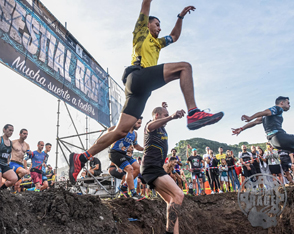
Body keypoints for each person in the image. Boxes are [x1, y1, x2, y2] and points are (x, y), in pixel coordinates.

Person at [68, 0, 224, 185]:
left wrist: (180, 16)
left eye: (160, 26)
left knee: (120, 131)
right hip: (139, 76)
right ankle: (193, 112)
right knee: (185, 67)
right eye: (157, 24)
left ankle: (82, 158)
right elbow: (145, 4)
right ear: (147, 24)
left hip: (140, 90)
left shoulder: (157, 44)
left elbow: (174, 36)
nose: (159, 28)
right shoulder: (141, 32)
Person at [141, 106, 185, 234]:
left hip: (156, 168)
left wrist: (164, 109)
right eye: (163, 115)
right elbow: (153, 123)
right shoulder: (150, 126)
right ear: (157, 116)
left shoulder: (162, 127)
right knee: (179, 194)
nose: (166, 118)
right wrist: (170, 116)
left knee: (172, 200)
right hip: (151, 168)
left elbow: (160, 118)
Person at [108, 118, 144, 200]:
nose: (140, 125)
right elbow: (109, 130)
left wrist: (145, 149)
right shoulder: (124, 129)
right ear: (133, 122)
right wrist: (119, 127)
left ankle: (124, 186)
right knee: (129, 169)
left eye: (140, 123)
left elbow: (136, 146)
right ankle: (133, 193)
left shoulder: (135, 134)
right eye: (138, 123)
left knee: (137, 168)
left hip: (123, 154)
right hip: (114, 153)